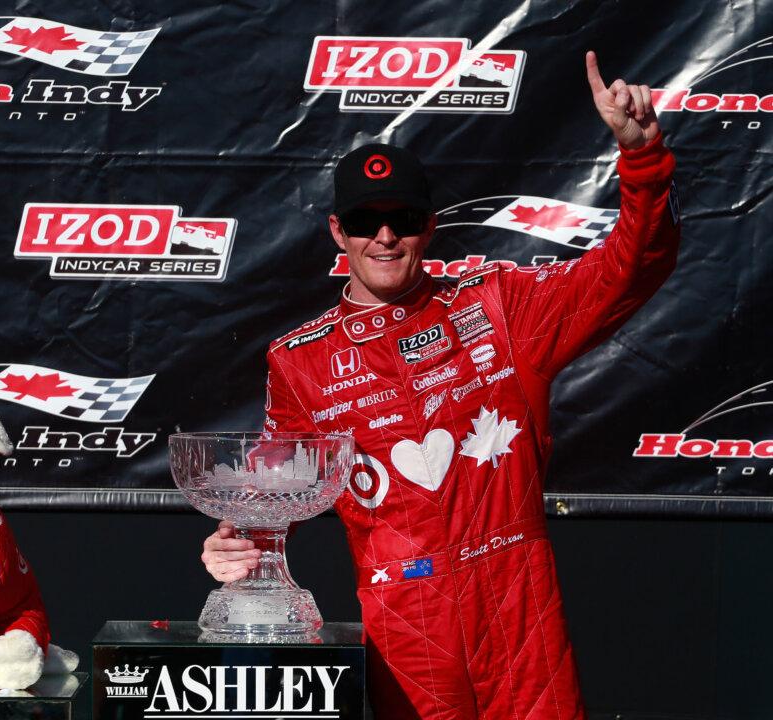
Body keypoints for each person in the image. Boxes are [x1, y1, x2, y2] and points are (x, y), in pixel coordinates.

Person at [200, 51, 679, 719]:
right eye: (366, 222)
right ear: (339, 231)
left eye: (402, 218)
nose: (385, 236)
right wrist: (236, 532)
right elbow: (277, 473)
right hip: (406, 615)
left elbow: (631, 267)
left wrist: (644, 159)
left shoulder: (499, 306)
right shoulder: (300, 359)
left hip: (517, 599)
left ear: (429, 225)